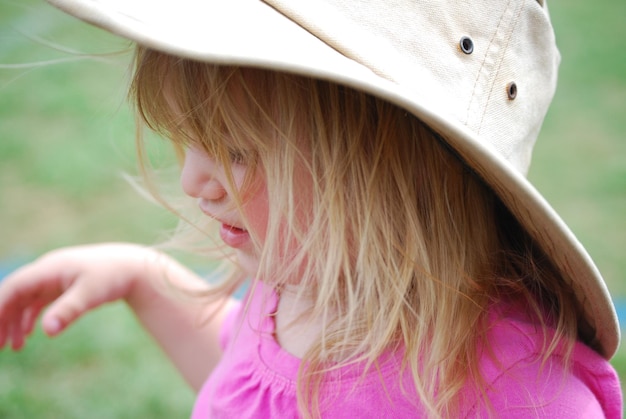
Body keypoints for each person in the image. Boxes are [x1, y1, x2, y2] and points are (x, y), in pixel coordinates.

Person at [0, 0, 622, 417]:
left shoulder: (517, 388)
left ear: (396, 173)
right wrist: (142, 279)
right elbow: (253, 386)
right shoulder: (298, 289)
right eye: (190, 140)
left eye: (236, 149)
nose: (192, 178)